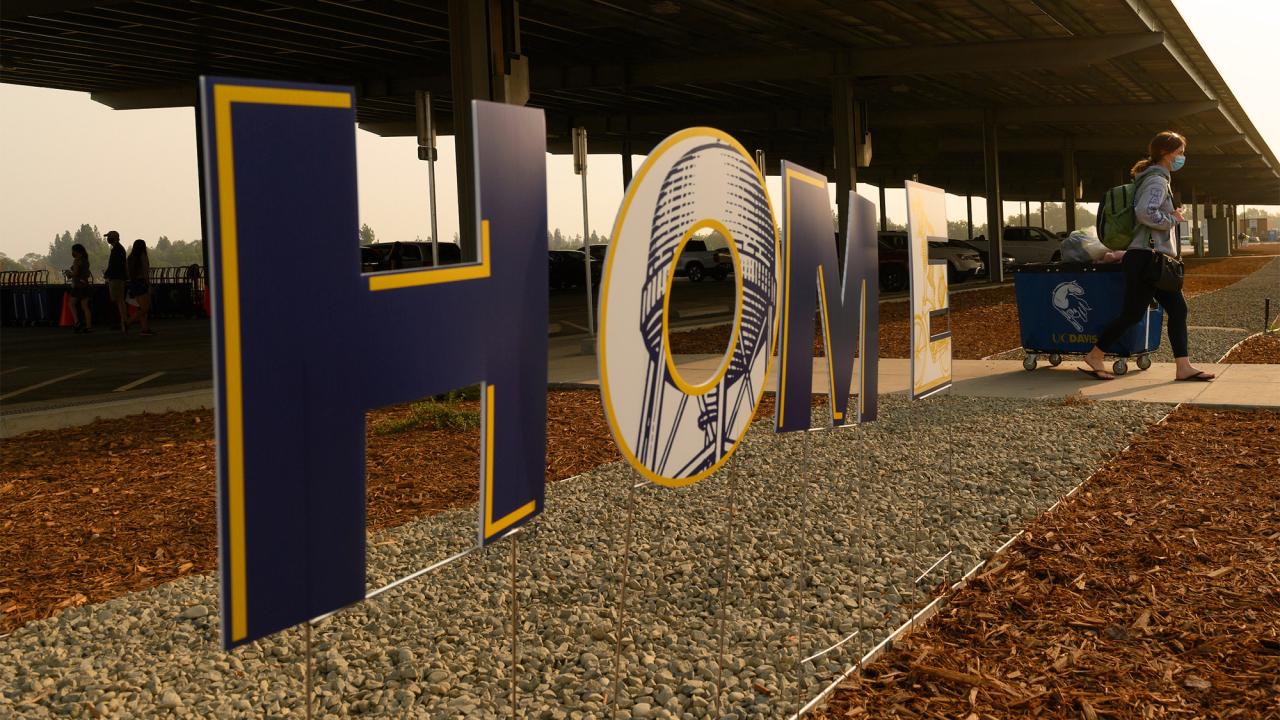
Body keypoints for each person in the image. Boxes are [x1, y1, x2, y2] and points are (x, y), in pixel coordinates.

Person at [1080, 131, 1214, 382]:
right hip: (1147, 259)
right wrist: (1171, 219)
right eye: (1179, 152)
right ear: (1166, 153)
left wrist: (1168, 216)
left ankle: (1183, 366)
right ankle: (1095, 355)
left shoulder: (1154, 179)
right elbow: (1145, 212)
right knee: (1135, 314)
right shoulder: (1156, 181)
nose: (1182, 157)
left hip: (1149, 259)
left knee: (1176, 310)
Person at [126, 239, 155, 336]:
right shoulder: (142, 256)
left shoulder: (130, 257)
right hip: (141, 283)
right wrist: (149, 285)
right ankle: (129, 322)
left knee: (141, 308)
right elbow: (145, 272)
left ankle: (145, 329)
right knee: (145, 308)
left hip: (133, 283)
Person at [103, 230, 128, 332]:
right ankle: (123, 322)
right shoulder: (119, 249)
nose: (108, 239)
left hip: (116, 278)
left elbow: (113, 265)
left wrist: (107, 274)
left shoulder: (117, 250)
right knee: (120, 300)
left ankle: (123, 322)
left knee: (119, 300)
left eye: (109, 237)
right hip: (119, 277)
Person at [68, 243, 93, 333]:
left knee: (71, 303)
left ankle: (77, 322)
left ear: (76, 251)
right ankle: (89, 326)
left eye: (73, 251)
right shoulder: (86, 260)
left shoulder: (77, 260)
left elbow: (75, 273)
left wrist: (69, 274)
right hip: (85, 285)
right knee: (85, 306)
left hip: (78, 286)